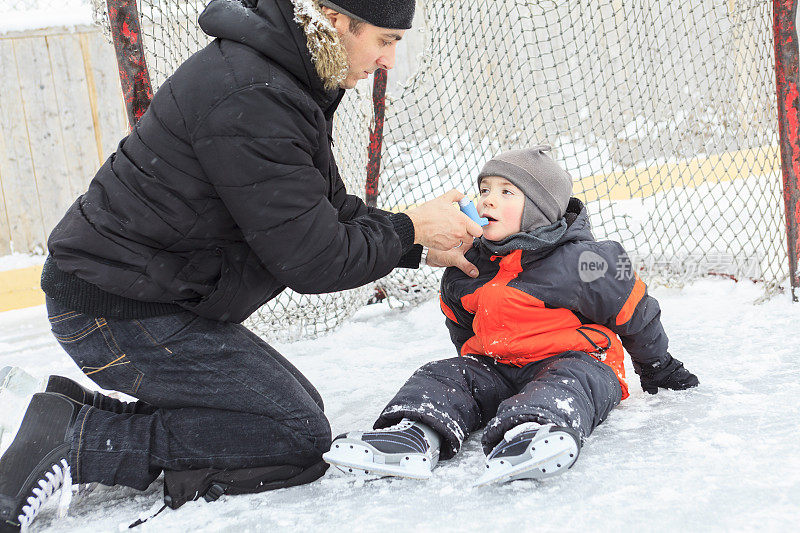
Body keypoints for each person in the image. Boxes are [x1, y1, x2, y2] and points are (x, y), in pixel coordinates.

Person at [0, 0, 484, 530]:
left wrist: (416, 246)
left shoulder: (285, 76)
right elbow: (314, 260)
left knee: (286, 417)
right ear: (337, 20)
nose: (390, 59)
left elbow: (327, 210)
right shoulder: (255, 93)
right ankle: (79, 441)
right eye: (386, 40)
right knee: (292, 433)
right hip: (115, 310)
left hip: (153, 293)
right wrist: (409, 228)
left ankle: (70, 416)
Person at [322, 145, 699, 484]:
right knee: (441, 374)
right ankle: (413, 432)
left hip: (577, 360)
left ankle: (536, 430)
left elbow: (636, 310)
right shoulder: (469, 265)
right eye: (484, 190)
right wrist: (469, 375)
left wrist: (658, 367)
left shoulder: (587, 259)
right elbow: (460, 324)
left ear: (538, 208)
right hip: (497, 365)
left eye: (506, 192)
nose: (488, 200)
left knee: (568, 381)